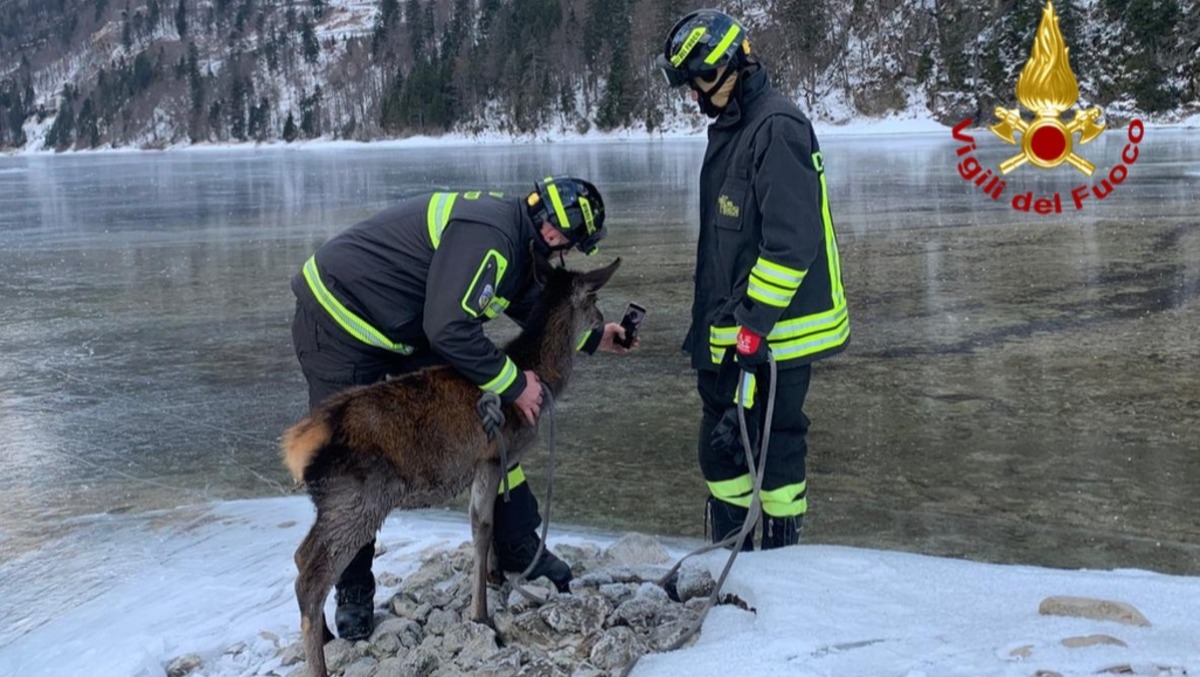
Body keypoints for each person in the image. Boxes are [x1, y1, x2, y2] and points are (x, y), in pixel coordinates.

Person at [289, 176, 631, 640]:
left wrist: (590, 337)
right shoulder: (491, 239)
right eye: (571, 246)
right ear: (553, 233)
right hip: (338, 322)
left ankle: (514, 540)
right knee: (356, 466)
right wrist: (515, 383)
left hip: (408, 325)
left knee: (488, 422)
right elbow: (450, 329)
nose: (567, 255)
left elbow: (535, 306)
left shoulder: (520, 241)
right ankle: (352, 586)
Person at [656, 10, 850, 550]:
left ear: (725, 68)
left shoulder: (776, 127)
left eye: (696, 81)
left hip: (773, 336)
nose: (693, 95)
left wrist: (752, 327)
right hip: (734, 331)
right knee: (722, 449)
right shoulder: (736, 127)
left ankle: (781, 564)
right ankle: (731, 554)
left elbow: (791, 245)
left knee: (776, 448)